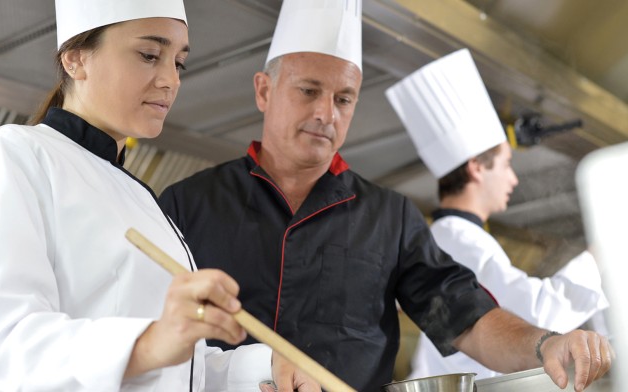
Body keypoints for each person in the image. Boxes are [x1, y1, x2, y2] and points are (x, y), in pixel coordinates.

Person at [160, 1, 613, 391]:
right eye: (308, 90)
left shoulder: (389, 217)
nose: (325, 113)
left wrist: (545, 343)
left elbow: (467, 318)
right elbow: (144, 332)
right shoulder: (186, 204)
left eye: (344, 98)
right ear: (264, 90)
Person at [0, 1, 288, 390]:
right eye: (149, 55)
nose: (171, 80)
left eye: (178, 63)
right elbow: (7, 348)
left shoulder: (141, 199)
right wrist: (153, 342)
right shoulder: (14, 153)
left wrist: (264, 365)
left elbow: (177, 372)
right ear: (75, 60)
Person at [385, 48, 610, 380]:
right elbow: (536, 315)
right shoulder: (457, 241)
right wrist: (601, 255)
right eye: (505, 164)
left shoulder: (456, 237)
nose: (513, 179)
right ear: (476, 168)